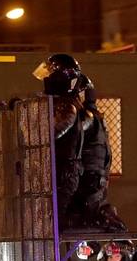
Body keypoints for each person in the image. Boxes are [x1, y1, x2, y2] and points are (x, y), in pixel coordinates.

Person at [32, 54, 126, 231]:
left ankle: (102, 221)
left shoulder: (74, 111)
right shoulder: (77, 111)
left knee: (55, 224)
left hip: (73, 176)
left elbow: (47, 135)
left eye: (51, 74)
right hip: (76, 175)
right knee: (53, 222)